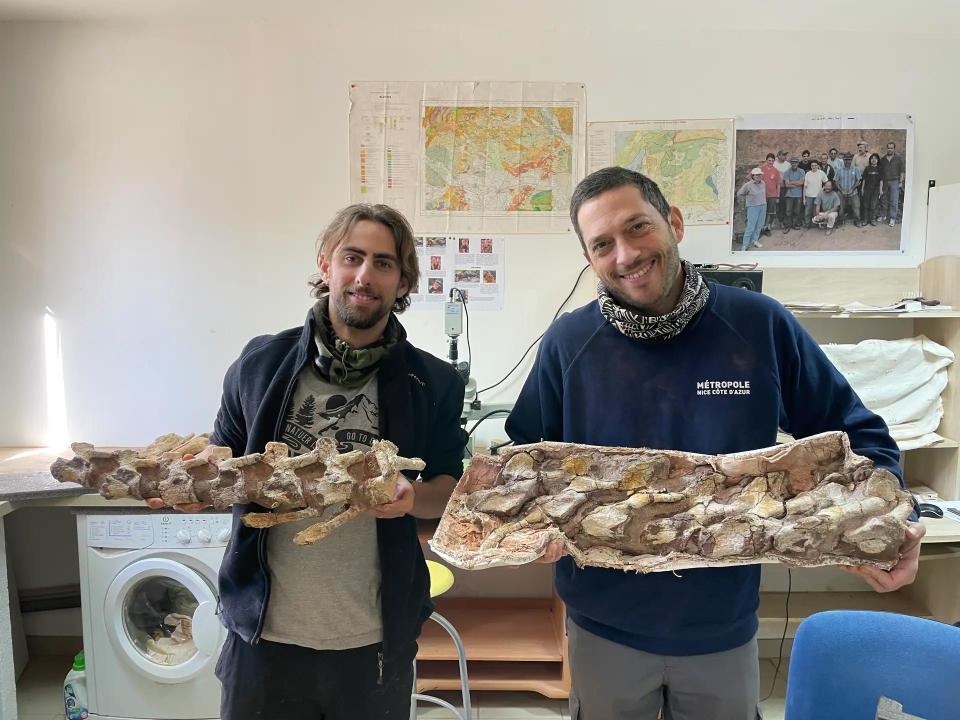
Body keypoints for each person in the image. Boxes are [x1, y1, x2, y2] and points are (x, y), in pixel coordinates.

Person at [504, 166, 924, 720]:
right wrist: (531, 528)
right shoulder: (568, 343)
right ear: (590, 260)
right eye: (603, 244)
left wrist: (891, 520)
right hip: (603, 622)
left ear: (673, 222)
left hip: (719, 624)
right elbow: (525, 464)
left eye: (638, 228)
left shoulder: (759, 325)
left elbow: (857, 433)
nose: (625, 255)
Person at [149, 203, 467, 720]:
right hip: (262, 637)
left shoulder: (431, 382)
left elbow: (448, 489)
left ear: (402, 282)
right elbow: (223, 456)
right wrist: (195, 484)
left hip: (373, 640)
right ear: (326, 265)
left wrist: (412, 500)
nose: (365, 276)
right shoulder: (259, 365)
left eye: (384, 263)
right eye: (353, 257)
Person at [735, 168, 767, 250]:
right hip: (753, 207)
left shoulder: (763, 183)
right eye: (756, 175)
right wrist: (747, 199)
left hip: (763, 206)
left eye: (760, 174)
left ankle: (755, 240)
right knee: (750, 226)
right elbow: (739, 193)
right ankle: (745, 244)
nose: (758, 176)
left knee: (759, 225)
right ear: (753, 176)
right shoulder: (748, 185)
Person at [879, 142, 906, 226]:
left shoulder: (898, 158)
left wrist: (901, 182)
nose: (890, 149)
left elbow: (902, 171)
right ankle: (884, 215)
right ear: (886, 148)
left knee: (894, 200)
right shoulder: (883, 159)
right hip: (885, 181)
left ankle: (892, 218)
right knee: (884, 199)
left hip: (895, 181)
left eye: (891, 148)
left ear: (894, 149)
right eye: (888, 148)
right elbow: (881, 172)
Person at [834, 154, 863, 226]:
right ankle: (840, 221)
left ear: (852, 160)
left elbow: (858, 181)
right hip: (841, 192)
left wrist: (852, 189)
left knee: (856, 207)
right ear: (843, 160)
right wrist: (841, 190)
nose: (847, 161)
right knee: (841, 208)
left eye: (849, 159)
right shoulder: (839, 170)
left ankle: (857, 221)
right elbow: (836, 181)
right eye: (846, 159)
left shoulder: (856, 169)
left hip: (853, 192)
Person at [780, 156, 806, 232]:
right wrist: (796, 183)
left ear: (798, 163)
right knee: (788, 211)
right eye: (793, 162)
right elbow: (786, 185)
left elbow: (801, 183)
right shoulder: (787, 172)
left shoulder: (801, 171)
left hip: (798, 195)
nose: (794, 164)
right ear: (791, 163)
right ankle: (788, 226)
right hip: (789, 195)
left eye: (796, 162)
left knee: (797, 211)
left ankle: (794, 224)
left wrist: (791, 182)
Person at [759, 153, 782, 233]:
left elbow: (778, 185)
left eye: (772, 161)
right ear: (766, 160)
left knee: (770, 212)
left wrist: (778, 196)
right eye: (769, 160)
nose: (770, 162)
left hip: (772, 195)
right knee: (762, 212)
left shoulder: (776, 171)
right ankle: (761, 227)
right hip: (762, 195)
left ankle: (767, 227)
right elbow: (749, 177)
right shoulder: (761, 169)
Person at [803, 160, 828, 227]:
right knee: (807, 212)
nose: (814, 167)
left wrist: (823, 190)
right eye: (812, 165)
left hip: (818, 196)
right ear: (810, 166)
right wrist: (804, 198)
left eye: (815, 165)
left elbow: (826, 183)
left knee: (816, 211)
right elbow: (805, 187)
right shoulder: (808, 174)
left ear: (818, 166)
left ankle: (815, 224)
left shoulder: (821, 173)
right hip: (809, 196)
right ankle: (807, 224)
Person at [861, 153, 883, 225]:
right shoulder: (867, 168)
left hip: (875, 190)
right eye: (872, 158)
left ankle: (872, 220)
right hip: (867, 189)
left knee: (873, 205)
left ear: (877, 160)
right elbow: (864, 179)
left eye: (875, 158)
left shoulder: (880, 168)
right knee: (866, 205)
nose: (873, 160)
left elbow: (881, 180)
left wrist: (880, 190)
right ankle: (865, 220)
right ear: (870, 160)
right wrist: (862, 189)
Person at [773, 150, 791, 227]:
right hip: (776, 187)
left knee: (785, 204)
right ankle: (779, 221)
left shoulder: (788, 164)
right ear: (779, 155)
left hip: (786, 187)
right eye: (783, 155)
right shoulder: (774, 164)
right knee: (778, 204)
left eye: (785, 155)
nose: (785, 157)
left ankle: (785, 221)